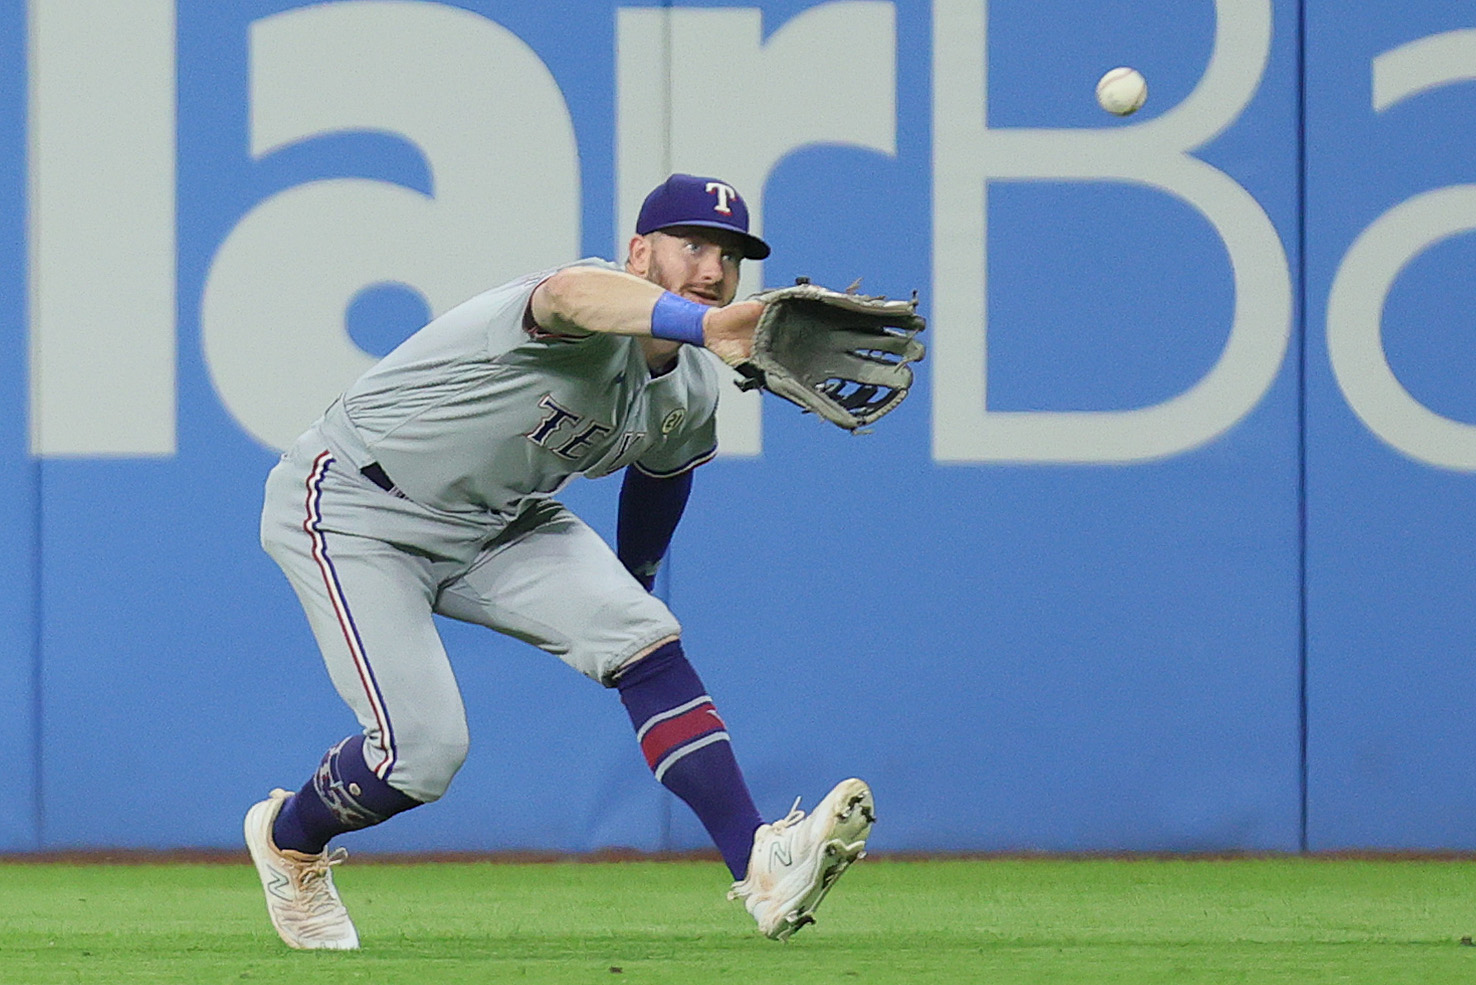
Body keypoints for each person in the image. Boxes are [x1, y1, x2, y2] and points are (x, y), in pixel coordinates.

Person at [244, 173, 875, 950]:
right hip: (355, 506)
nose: (712, 269)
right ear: (639, 251)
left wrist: (625, 587)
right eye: (692, 245)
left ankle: (759, 859)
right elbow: (572, 294)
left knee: (642, 633)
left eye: (731, 256)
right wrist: (703, 325)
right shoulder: (584, 303)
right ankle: (289, 836)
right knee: (423, 756)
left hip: (495, 521)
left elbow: (662, 475)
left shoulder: (689, 390)